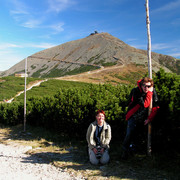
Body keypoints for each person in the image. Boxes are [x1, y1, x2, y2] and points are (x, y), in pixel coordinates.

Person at [121, 77, 159, 159]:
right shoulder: (136, 91)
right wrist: (149, 93)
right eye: (144, 86)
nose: (146, 88)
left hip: (144, 118)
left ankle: (135, 151)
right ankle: (125, 150)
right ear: (141, 85)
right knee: (130, 133)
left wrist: (149, 118)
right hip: (133, 116)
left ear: (151, 86)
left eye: (148, 86)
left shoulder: (153, 91)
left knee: (139, 135)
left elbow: (156, 106)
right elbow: (144, 104)